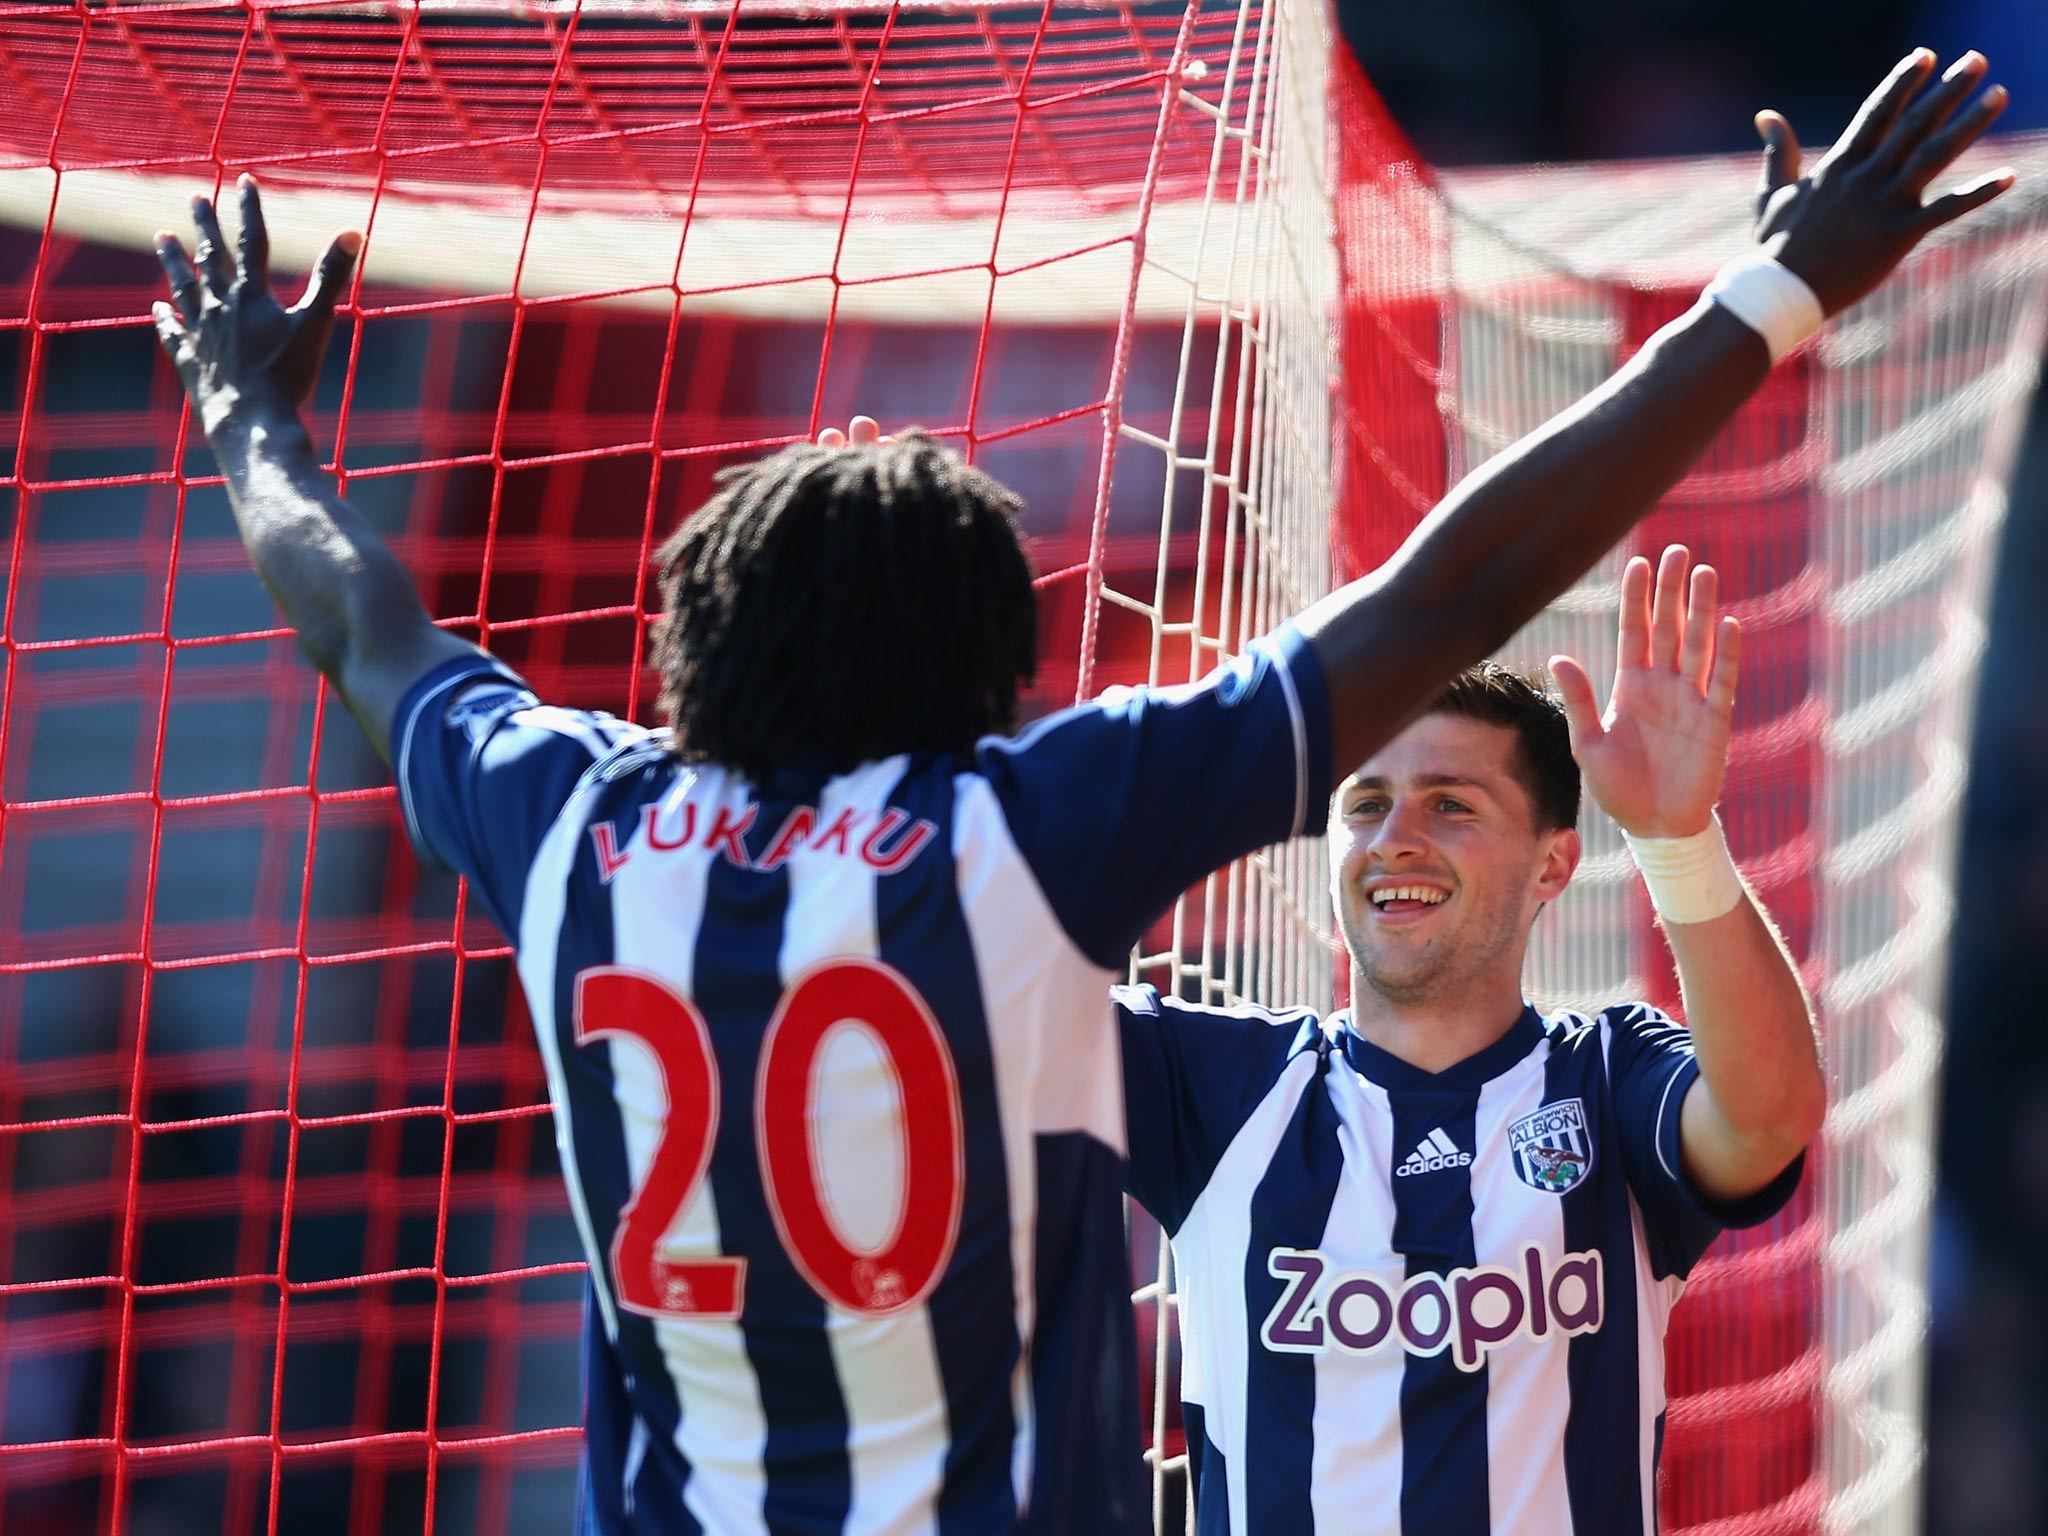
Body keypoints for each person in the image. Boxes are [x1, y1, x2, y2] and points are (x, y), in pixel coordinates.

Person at [146, 46, 2007, 1536]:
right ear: (976, 666)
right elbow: (1448, 594)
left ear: (696, 634)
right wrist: (1769, 295)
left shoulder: (566, 825)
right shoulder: (1016, 838)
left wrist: (248, 420)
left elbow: (363, 630)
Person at [1119, 547, 1816, 1534]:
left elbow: (1769, 1118)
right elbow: (960, 1009)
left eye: (1449, 802)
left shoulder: (1606, 1078)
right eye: (1364, 804)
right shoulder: (1209, 1084)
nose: (1394, 835)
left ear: (1551, 865)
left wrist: (1677, 840)